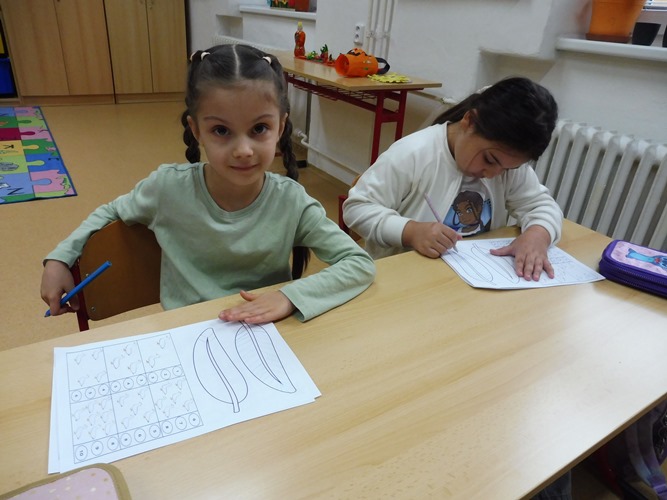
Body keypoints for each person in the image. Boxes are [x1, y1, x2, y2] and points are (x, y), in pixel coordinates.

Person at [41, 44, 375, 324]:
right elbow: (111, 212)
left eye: (259, 129)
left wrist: (289, 297)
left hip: (267, 338)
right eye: (221, 130)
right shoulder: (168, 189)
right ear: (197, 130)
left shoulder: (291, 201)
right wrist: (59, 258)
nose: (243, 150)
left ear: (281, 126)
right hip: (186, 337)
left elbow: (358, 264)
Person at [343, 77, 562, 281]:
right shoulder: (413, 154)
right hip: (404, 279)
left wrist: (537, 235)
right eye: (489, 159)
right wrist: (411, 231)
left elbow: (540, 205)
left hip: (472, 277)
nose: (494, 174)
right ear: (469, 121)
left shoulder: (505, 166)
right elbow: (357, 208)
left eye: (508, 168)